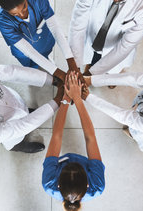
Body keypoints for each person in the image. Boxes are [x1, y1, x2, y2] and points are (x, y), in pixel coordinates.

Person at [42, 71, 105, 211]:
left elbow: (56, 136)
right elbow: (90, 138)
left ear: (58, 184)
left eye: (67, 168)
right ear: (88, 184)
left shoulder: (49, 183)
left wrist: (65, 98)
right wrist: (77, 99)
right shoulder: (97, 186)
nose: (73, 163)